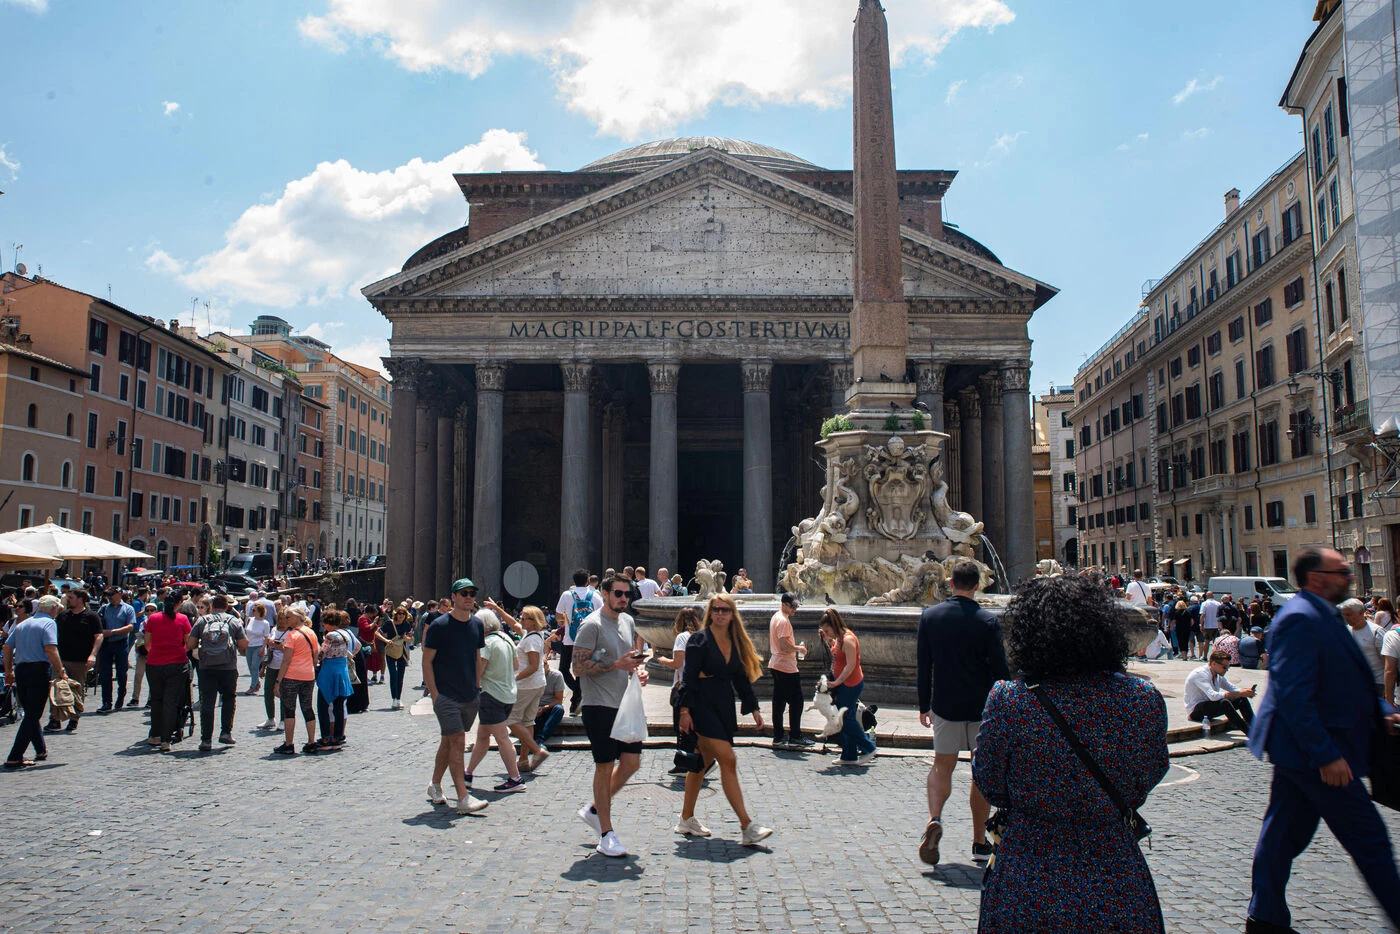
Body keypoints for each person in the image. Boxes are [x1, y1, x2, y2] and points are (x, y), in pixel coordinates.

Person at [974, 574, 1169, 933]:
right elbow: (1152, 770)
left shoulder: (1010, 701)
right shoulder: (1143, 700)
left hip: (1029, 873)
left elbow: (989, 783)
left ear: (1029, 635)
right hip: (1115, 874)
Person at [1246, 548, 1400, 932]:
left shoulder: (1321, 615)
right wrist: (1325, 754)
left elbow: (1344, 681)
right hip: (1318, 752)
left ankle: (1264, 919)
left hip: (1305, 750)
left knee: (1283, 835)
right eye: (1342, 571)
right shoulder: (1301, 619)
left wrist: (1382, 711)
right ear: (1317, 578)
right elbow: (1294, 694)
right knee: (1371, 840)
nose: (1349, 575)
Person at [916, 560, 1009, 866]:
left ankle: (935, 818)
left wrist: (923, 705)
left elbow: (923, 667)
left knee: (942, 766)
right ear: (977, 585)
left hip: (945, 705)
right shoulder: (987, 621)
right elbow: (1000, 672)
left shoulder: (931, 617)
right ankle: (980, 842)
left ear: (951, 583)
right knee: (979, 773)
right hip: (982, 708)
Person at [674, 593, 773, 845]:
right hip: (701, 706)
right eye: (716, 609)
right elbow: (689, 677)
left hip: (723, 705)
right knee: (728, 759)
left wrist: (754, 709)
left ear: (732, 614)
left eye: (724, 610)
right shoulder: (699, 640)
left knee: (702, 762)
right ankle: (746, 825)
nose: (719, 613)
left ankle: (686, 819)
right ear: (710, 612)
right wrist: (684, 712)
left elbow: (740, 678)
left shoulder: (734, 641)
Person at [572, 572, 648, 858]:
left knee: (631, 763)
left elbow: (628, 658)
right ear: (604, 594)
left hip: (624, 702)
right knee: (604, 765)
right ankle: (606, 833)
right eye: (618, 593)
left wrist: (637, 669)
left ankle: (594, 808)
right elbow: (577, 668)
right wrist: (616, 665)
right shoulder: (591, 625)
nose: (623, 599)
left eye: (627, 595)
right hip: (598, 704)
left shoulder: (628, 622)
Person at [422, 579, 489, 815]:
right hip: (446, 695)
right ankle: (463, 797)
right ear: (453, 597)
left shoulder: (477, 624)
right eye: (464, 593)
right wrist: (435, 695)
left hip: (469, 693)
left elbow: (476, 655)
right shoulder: (439, 626)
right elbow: (427, 662)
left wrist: (477, 685)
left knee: (448, 742)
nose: (469, 597)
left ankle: (435, 784)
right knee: (458, 741)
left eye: (472, 593)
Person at [464, 609, 527, 794]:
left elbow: (479, 670)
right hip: (508, 694)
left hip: (491, 695)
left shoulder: (486, 643)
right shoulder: (506, 638)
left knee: (502, 738)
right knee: (483, 737)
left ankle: (516, 778)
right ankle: (468, 773)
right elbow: (516, 665)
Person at [3, 594, 63, 768]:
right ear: (52, 608)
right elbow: (51, 649)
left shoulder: (24, 624)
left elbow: (7, 646)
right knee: (33, 713)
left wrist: (8, 670)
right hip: (38, 669)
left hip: (21, 670)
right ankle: (15, 755)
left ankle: (40, 749)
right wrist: (60, 670)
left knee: (30, 711)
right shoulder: (49, 623)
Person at [187, 594, 249, 752]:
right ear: (227, 606)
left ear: (212, 606)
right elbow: (243, 644)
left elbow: (191, 643)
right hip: (228, 667)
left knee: (207, 702)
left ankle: (206, 739)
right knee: (228, 699)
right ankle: (226, 732)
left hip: (206, 666)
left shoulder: (202, 621)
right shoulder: (233, 621)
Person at [493, 603, 548, 773]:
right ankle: (523, 760)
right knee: (528, 721)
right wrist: (498, 609)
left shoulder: (531, 640)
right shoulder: (533, 634)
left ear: (532, 621)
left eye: (524, 617)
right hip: (537, 684)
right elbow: (513, 624)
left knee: (511, 720)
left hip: (527, 686)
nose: (520, 619)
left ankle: (537, 750)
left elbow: (532, 666)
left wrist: (514, 677)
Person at [819, 608, 876, 766]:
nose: (826, 632)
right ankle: (849, 755)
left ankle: (868, 747)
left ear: (834, 625)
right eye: (824, 630)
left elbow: (850, 666)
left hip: (850, 684)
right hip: (844, 684)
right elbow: (836, 654)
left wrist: (837, 682)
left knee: (846, 718)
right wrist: (826, 639)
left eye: (827, 630)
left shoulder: (848, 639)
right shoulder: (838, 638)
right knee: (844, 718)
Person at [44, 589, 103, 734]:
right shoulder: (63, 615)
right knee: (56, 688)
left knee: (77, 689)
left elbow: (99, 636)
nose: (68, 600)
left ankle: (74, 718)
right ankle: (55, 719)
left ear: (81, 599)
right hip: (61, 659)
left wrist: (93, 655)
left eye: (71, 597)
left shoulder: (91, 616)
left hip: (80, 660)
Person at [144, 592, 193, 752]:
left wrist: (157, 653)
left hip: (154, 664)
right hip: (176, 664)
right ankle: (166, 739)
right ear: (179, 603)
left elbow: (147, 643)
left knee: (157, 700)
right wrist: (180, 652)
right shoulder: (182, 619)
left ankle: (154, 735)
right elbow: (188, 642)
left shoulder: (153, 618)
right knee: (171, 701)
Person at [658, 606, 702, 773]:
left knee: (681, 726)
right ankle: (692, 761)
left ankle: (685, 762)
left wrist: (662, 660)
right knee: (694, 726)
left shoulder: (682, 638)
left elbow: (677, 664)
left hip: (683, 686)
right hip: (699, 686)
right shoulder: (701, 635)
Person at [272, 608, 320, 756]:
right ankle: (311, 742)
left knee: (289, 709)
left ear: (298, 618)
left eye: (289, 617)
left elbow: (286, 660)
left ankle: (289, 743)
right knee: (307, 708)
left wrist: (278, 681)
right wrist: (311, 668)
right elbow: (316, 654)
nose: (286, 620)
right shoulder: (311, 632)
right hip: (308, 675)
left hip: (292, 675)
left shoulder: (292, 636)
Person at [555, 569, 601, 715]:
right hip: (588, 639)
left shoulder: (567, 595)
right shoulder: (595, 595)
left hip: (570, 638)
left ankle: (576, 695)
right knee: (581, 670)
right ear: (588, 580)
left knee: (563, 668)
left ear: (574, 581)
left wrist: (566, 624)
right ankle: (579, 694)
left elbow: (558, 616)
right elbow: (601, 616)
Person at [767, 592, 809, 750]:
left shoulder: (775, 617)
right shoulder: (783, 621)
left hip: (776, 663)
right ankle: (795, 736)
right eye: (793, 606)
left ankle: (778, 736)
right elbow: (784, 645)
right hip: (786, 666)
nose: (795, 609)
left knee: (778, 702)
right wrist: (799, 648)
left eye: (796, 606)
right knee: (797, 702)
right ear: (784, 604)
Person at [314, 610, 359, 749]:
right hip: (342, 670)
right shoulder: (345, 633)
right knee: (339, 705)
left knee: (323, 704)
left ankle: (326, 737)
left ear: (327, 623)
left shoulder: (330, 635)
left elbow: (322, 653)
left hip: (330, 671)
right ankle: (338, 736)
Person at [1184, 649, 1256, 735]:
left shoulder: (1217, 674)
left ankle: (1256, 727)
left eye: (1228, 667)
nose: (1226, 670)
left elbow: (1231, 688)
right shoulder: (1200, 674)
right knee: (1224, 703)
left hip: (1209, 706)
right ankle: (1249, 733)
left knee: (1241, 699)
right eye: (1224, 667)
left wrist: (1245, 692)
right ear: (1214, 663)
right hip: (1196, 711)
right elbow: (1213, 696)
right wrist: (1239, 693)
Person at [96, 588, 136, 712]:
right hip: (106, 645)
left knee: (121, 673)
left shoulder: (128, 609)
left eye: (112, 595)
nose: (110, 597)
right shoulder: (103, 609)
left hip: (121, 643)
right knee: (105, 674)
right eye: (108, 595)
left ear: (119, 594)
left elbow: (130, 627)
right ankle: (107, 702)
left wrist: (112, 632)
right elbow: (98, 625)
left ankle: (121, 695)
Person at [1342, 598, 1385, 695]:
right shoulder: (1344, 631)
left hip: (1376, 683)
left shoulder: (1376, 632)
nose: (1346, 618)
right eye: (1344, 615)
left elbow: (1385, 662)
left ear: (1361, 613)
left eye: (1349, 614)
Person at [378, 604, 415, 710]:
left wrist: (407, 638)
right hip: (390, 651)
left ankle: (398, 699)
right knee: (393, 675)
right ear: (396, 614)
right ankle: (394, 698)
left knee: (400, 676)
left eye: (404, 614)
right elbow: (377, 633)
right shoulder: (389, 623)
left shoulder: (406, 624)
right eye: (400, 614)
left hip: (402, 652)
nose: (401, 616)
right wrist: (386, 641)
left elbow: (410, 639)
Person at [534, 658, 566, 747]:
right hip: (534, 706)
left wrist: (544, 708)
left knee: (559, 709)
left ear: (547, 666)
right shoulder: (532, 676)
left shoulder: (556, 676)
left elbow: (559, 699)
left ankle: (541, 738)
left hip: (550, 707)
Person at [243, 597, 271, 696]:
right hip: (249, 645)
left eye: (254, 610)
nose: (252, 611)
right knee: (250, 666)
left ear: (260, 611)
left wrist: (263, 648)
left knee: (255, 666)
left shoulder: (265, 623)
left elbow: (267, 637)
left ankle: (253, 686)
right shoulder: (250, 619)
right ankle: (256, 682)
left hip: (259, 645)